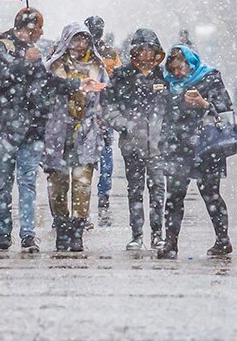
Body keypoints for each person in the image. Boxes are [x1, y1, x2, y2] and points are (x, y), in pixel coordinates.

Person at [0, 8, 76, 252]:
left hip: (33, 127)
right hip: (4, 127)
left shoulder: (35, 52)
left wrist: (75, 85)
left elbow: (45, 82)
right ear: (28, 27)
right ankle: (4, 232)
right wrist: (23, 62)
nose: (42, 32)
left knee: (27, 181)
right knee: (3, 183)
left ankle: (28, 234)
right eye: (39, 27)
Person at [159, 44, 235, 259]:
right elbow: (161, 111)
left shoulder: (210, 77)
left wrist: (205, 103)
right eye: (173, 69)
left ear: (190, 63)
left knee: (210, 193)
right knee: (174, 196)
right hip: (177, 145)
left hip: (206, 146)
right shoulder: (166, 83)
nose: (178, 73)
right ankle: (171, 243)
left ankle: (223, 240)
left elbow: (225, 109)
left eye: (181, 68)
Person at [40, 22, 109, 252]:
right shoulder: (53, 66)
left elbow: (106, 95)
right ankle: (62, 228)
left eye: (84, 40)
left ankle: (77, 230)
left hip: (86, 131)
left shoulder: (97, 66)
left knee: (82, 183)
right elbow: (43, 94)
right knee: (58, 184)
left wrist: (100, 114)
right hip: (57, 131)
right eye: (75, 39)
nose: (80, 45)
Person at [108, 28, 169, 250]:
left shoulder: (164, 76)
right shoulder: (121, 76)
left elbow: (172, 106)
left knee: (157, 189)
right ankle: (136, 234)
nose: (145, 54)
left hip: (158, 145)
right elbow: (109, 106)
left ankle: (157, 233)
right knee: (135, 189)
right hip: (131, 144)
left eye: (149, 49)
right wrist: (124, 125)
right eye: (140, 49)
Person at [85, 15, 121, 228]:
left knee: (98, 155)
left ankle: (100, 192)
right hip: (97, 111)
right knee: (103, 155)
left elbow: (116, 80)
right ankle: (103, 193)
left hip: (99, 111)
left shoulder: (87, 51)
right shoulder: (108, 53)